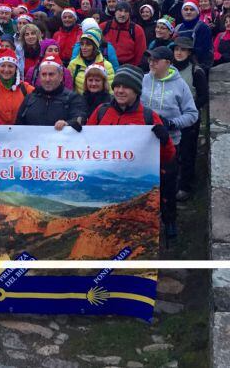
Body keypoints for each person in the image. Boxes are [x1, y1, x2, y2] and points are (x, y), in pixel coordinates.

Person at [86, 65, 176, 233]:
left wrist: (164, 140)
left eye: (126, 87)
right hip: (102, 184)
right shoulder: (101, 112)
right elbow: (86, 147)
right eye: (117, 86)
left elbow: (168, 157)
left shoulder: (148, 117)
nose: (120, 91)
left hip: (134, 187)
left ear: (136, 91)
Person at [141, 47, 198, 239]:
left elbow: (192, 114)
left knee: (168, 186)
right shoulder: (144, 79)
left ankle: (170, 220)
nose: (152, 63)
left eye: (156, 60)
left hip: (170, 143)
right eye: (150, 60)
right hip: (144, 144)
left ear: (167, 63)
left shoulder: (180, 85)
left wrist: (172, 124)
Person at [170, 37, 209, 202]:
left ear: (189, 52)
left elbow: (203, 96)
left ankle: (185, 186)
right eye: (176, 49)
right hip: (171, 118)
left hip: (189, 119)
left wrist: (188, 109)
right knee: (172, 153)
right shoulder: (168, 70)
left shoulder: (196, 71)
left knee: (187, 152)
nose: (179, 53)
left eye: (183, 50)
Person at [15, 55, 87, 130]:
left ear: (61, 76)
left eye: (51, 74)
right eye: (44, 74)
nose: (47, 79)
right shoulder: (30, 98)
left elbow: (80, 118)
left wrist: (68, 123)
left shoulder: (73, 98)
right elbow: (18, 126)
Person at [68, 29, 116, 95]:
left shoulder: (106, 65)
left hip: (100, 103)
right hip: (80, 103)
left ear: (95, 47)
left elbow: (110, 91)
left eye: (88, 44)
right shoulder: (74, 64)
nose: (84, 47)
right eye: (82, 44)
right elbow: (69, 88)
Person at [100, 0, 146, 66]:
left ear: (129, 14)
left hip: (127, 67)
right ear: (115, 12)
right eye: (120, 11)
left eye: (126, 11)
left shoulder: (137, 30)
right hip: (105, 65)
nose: (122, 14)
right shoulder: (104, 27)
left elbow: (140, 54)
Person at [173, 0, 214, 71]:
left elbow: (205, 50)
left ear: (197, 12)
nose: (188, 12)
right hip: (180, 64)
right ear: (182, 12)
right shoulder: (178, 28)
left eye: (192, 10)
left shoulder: (203, 27)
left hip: (198, 65)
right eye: (186, 9)